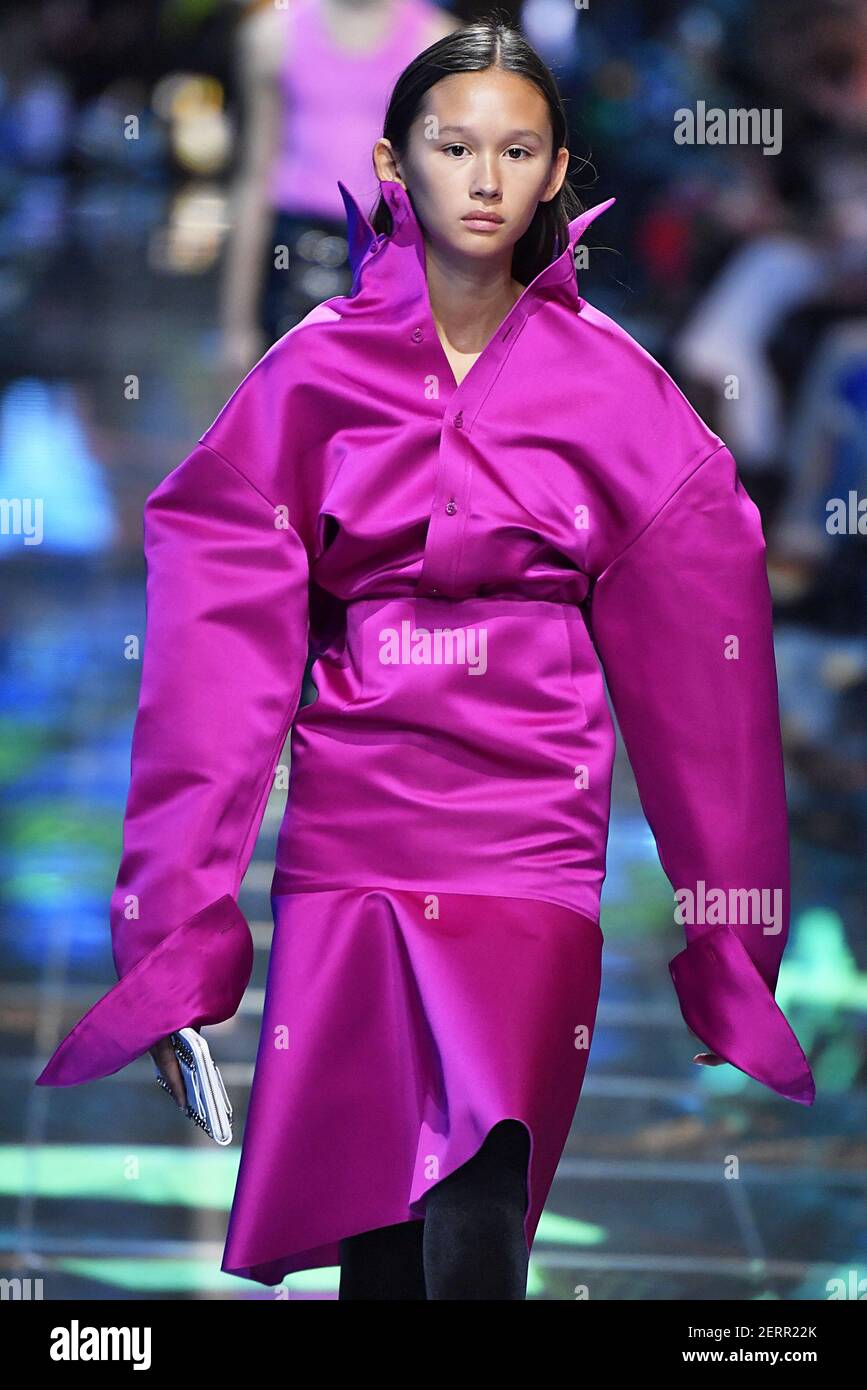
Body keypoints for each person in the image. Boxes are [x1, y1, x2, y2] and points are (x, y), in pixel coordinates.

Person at [35, 18, 816, 1301]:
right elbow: (212, 664)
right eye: (455, 147)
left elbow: (703, 666)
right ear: (397, 164)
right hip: (356, 831)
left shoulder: (618, 390)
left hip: (526, 828)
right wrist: (175, 922)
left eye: (518, 149)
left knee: (483, 1188)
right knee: (377, 1207)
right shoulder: (312, 375)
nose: (487, 178)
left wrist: (731, 933)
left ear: (560, 168)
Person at [218, 0, 458, 383]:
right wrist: (236, 325)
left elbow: (442, 189)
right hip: (292, 253)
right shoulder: (271, 37)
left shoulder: (435, 43)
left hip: (389, 248)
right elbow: (254, 178)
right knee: (290, 416)